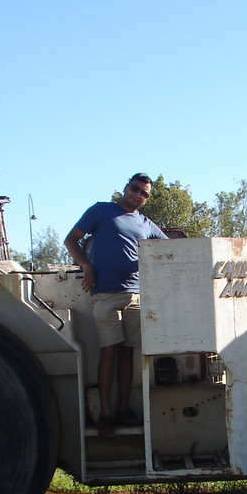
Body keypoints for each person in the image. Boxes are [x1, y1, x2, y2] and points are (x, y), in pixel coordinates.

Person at [64, 173, 168, 438]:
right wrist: (86, 265)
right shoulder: (101, 210)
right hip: (105, 296)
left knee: (127, 353)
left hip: (135, 296)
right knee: (109, 351)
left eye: (144, 193)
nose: (138, 195)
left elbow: (169, 250)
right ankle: (106, 414)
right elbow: (71, 240)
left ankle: (122, 409)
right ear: (125, 188)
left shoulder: (146, 223)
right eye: (135, 189)